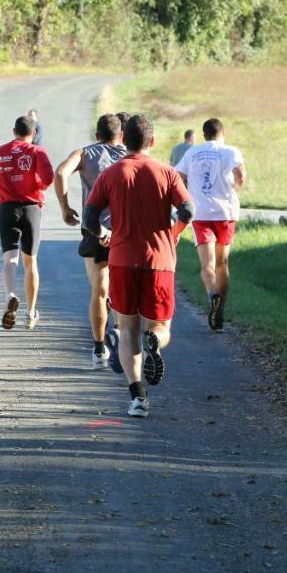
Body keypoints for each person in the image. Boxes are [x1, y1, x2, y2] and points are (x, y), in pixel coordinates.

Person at [84, 115, 193, 418]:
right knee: (161, 326)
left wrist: (103, 235)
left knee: (127, 327)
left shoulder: (110, 174)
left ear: (123, 140)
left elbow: (90, 218)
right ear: (152, 141)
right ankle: (155, 342)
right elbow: (187, 209)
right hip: (160, 260)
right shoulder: (167, 173)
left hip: (121, 260)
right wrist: (173, 234)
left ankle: (137, 398)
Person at [53, 114, 126, 370]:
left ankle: (98, 349)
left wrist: (65, 208)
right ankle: (119, 333)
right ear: (121, 136)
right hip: (124, 231)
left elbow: (61, 172)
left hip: (94, 229)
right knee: (122, 287)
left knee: (99, 288)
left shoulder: (85, 153)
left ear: (97, 135)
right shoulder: (129, 157)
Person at [0, 114, 54, 331]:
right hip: (31, 209)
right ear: (33, 134)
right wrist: (34, 183)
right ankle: (31, 313)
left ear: (13, 131)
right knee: (30, 262)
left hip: (7, 209)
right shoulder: (37, 151)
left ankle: (9, 295)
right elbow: (48, 179)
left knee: (9, 260)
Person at [175, 118, 246, 332]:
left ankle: (211, 294)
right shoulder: (230, 150)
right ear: (222, 133)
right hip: (225, 213)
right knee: (222, 263)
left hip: (200, 213)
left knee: (207, 265)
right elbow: (241, 174)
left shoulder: (192, 152)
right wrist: (235, 188)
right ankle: (220, 308)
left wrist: (186, 195)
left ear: (204, 135)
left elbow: (178, 176)